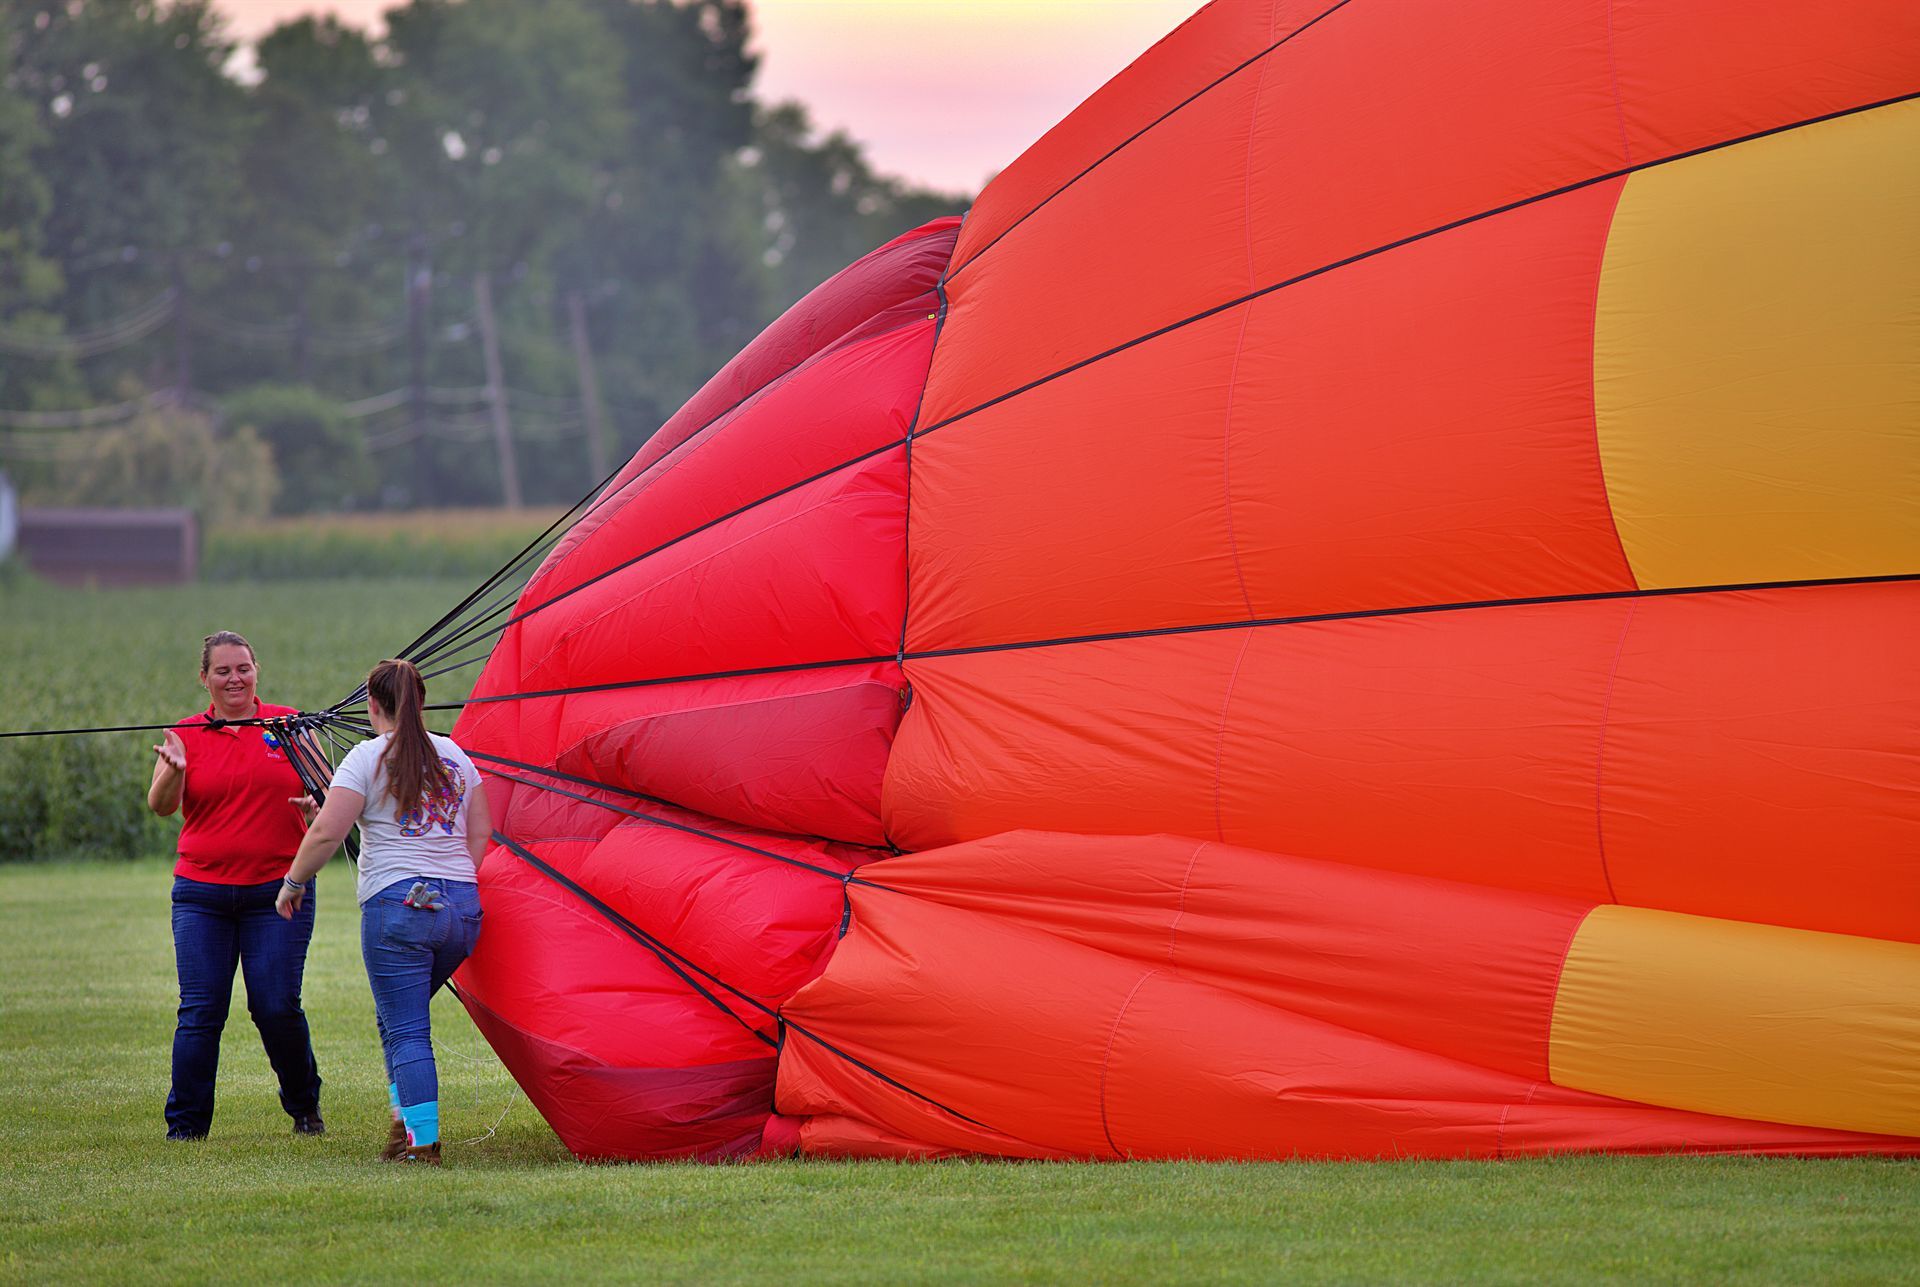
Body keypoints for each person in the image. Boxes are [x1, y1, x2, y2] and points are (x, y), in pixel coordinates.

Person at [278, 658, 488, 1165]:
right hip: (462, 910)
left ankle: (422, 1144)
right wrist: (453, 881)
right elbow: (480, 832)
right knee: (395, 1018)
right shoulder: (456, 754)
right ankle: (402, 1126)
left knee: (408, 1027)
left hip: (399, 908)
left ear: (373, 706)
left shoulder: (367, 757)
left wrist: (292, 882)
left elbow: (328, 831)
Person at [148, 630, 325, 1140]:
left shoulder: (290, 726)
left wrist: (316, 809)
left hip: (279, 892)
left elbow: (329, 795)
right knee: (201, 1011)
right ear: (204, 678)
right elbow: (160, 806)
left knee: (274, 1005)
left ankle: (304, 1106)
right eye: (222, 671)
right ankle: (185, 1128)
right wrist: (174, 772)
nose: (234, 679)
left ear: (256, 670)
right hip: (201, 894)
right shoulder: (184, 735)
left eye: (242, 668)